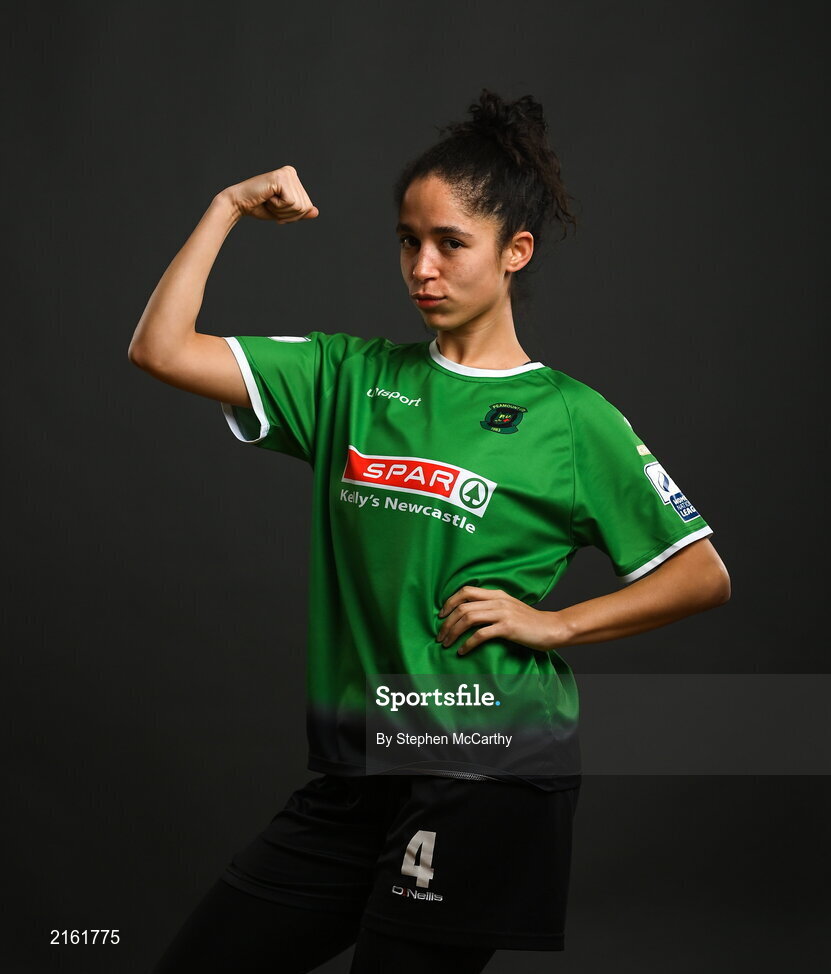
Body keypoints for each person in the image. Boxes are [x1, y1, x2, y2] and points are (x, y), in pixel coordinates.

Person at [130, 89, 730, 973]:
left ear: (513, 252)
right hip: (358, 766)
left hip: (486, 771)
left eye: (451, 243)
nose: (423, 267)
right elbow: (162, 347)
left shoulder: (569, 418)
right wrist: (225, 208)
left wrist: (556, 624)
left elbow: (700, 574)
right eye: (409, 241)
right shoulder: (349, 377)